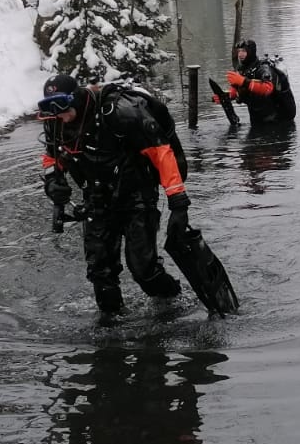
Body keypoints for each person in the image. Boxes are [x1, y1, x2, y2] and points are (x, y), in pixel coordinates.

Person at [38, 73, 189, 315]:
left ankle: (175, 305)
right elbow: (51, 158)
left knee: (143, 270)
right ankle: (111, 327)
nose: (58, 113)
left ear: (75, 98)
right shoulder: (55, 123)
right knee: (100, 272)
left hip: (136, 194)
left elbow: (161, 153)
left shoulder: (119, 111)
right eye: (49, 106)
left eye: (62, 104)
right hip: (96, 198)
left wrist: (178, 203)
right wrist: (53, 182)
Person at [224, 39, 297, 125]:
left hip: (279, 120)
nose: (240, 54)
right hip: (258, 120)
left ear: (251, 52)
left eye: (243, 51)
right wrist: (225, 96)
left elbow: (267, 88)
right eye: (239, 51)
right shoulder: (242, 70)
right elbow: (238, 92)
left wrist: (243, 82)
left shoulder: (264, 69)